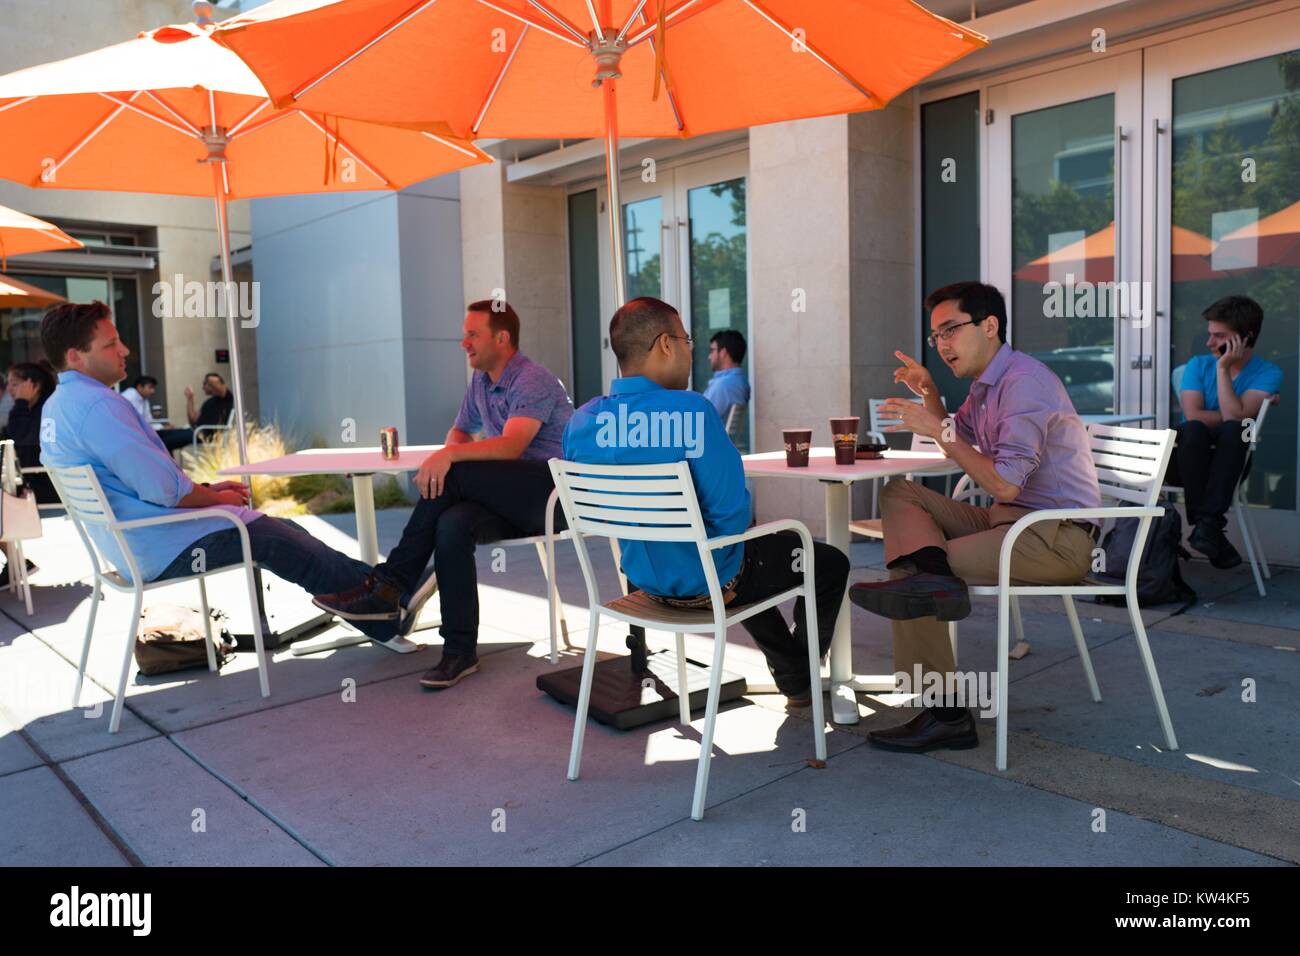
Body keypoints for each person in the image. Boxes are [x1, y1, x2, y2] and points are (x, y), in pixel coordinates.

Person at [37, 301, 396, 645]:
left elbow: (139, 483)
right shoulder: (99, 404)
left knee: (284, 531)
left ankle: (384, 595)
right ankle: (387, 606)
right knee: (273, 538)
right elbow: (164, 489)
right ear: (75, 356)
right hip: (161, 546)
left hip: (132, 545)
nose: (125, 350)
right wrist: (216, 498)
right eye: (111, 343)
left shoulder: (57, 406)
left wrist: (207, 490)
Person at [848, 281, 1102, 753]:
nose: (942, 344)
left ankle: (945, 714)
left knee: (911, 575)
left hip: (1054, 537)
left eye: (950, 330)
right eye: (935, 336)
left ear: (990, 326)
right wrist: (929, 392)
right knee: (901, 493)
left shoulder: (1024, 383)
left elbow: (1005, 483)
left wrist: (937, 430)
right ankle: (929, 581)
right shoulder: (987, 386)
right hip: (1009, 522)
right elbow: (957, 433)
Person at [563, 297, 848, 706]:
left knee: (742, 561)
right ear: (664, 345)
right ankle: (801, 678)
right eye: (686, 339)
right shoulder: (692, 411)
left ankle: (794, 677)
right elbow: (731, 513)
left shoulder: (581, 422)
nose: (691, 349)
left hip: (640, 584)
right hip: (714, 583)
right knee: (822, 560)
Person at [313, 300, 575, 690]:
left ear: (501, 339)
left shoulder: (532, 379)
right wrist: (450, 452)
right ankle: (459, 651)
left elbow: (510, 447)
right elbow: (461, 432)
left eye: (473, 334)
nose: (463, 342)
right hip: (510, 497)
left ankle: (389, 586)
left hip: (553, 496)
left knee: (455, 475)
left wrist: (448, 458)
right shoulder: (481, 383)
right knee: (452, 525)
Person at [1166, 295, 1281, 569]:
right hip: (1185, 463)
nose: (1209, 343)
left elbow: (1233, 419)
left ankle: (1207, 525)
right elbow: (1193, 415)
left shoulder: (1268, 372)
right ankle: (1209, 528)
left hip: (1231, 466)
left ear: (1246, 338)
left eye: (1218, 336)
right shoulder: (1197, 365)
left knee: (1236, 430)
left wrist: (1222, 369)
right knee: (1193, 429)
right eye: (1209, 335)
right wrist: (1239, 408)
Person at [3, 361, 59, 504]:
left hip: (47, 489)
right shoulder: (31, 409)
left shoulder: (47, 409)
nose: (9, 389)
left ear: (34, 385)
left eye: (14, 384)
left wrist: (21, 402)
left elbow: (21, 434)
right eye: (8, 384)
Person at [157, 372, 233, 452]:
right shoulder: (209, 402)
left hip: (206, 434)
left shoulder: (225, 398)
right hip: (195, 431)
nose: (203, 387)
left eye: (205, 384)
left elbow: (218, 384)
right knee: (159, 435)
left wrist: (208, 379)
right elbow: (193, 421)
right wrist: (190, 398)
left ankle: (166, 464)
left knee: (165, 442)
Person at [701, 329, 750, 422]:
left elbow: (700, 422)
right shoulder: (739, 381)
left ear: (723, 352)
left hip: (706, 436)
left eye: (712, 351)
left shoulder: (724, 386)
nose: (709, 356)